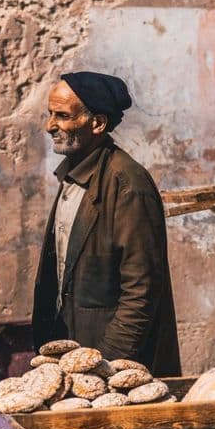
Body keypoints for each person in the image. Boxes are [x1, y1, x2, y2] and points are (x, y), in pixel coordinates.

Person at [32, 71, 180, 375]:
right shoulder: (73, 177)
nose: (50, 126)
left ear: (97, 123)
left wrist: (106, 367)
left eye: (62, 116)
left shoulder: (127, 184)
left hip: (114, 367)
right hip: (77, 359)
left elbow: (141, 291)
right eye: (50, 114)